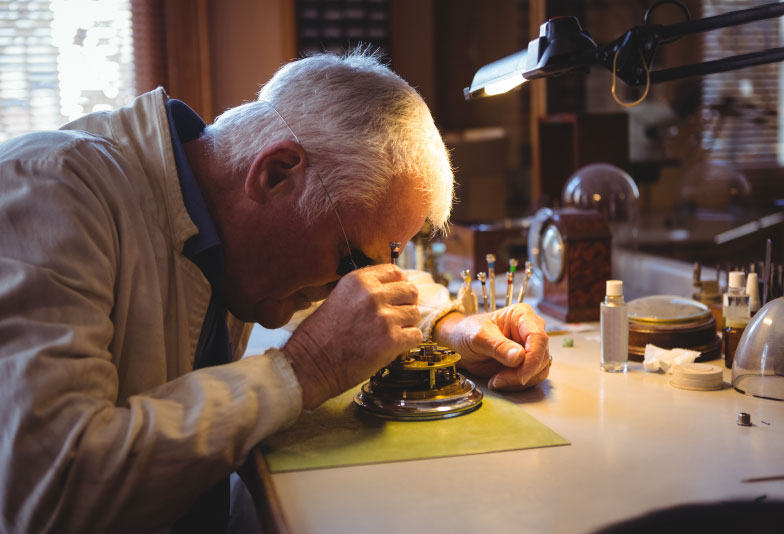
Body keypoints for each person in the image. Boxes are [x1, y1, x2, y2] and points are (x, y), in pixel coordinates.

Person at [0, 49, 549, 533]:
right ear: (277, 172)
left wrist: (447, 328)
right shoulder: (52, 190)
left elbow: (359, 290)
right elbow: (49, 497)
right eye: (354, 260)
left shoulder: (231, 238)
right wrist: (305, 369)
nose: (353, 284)